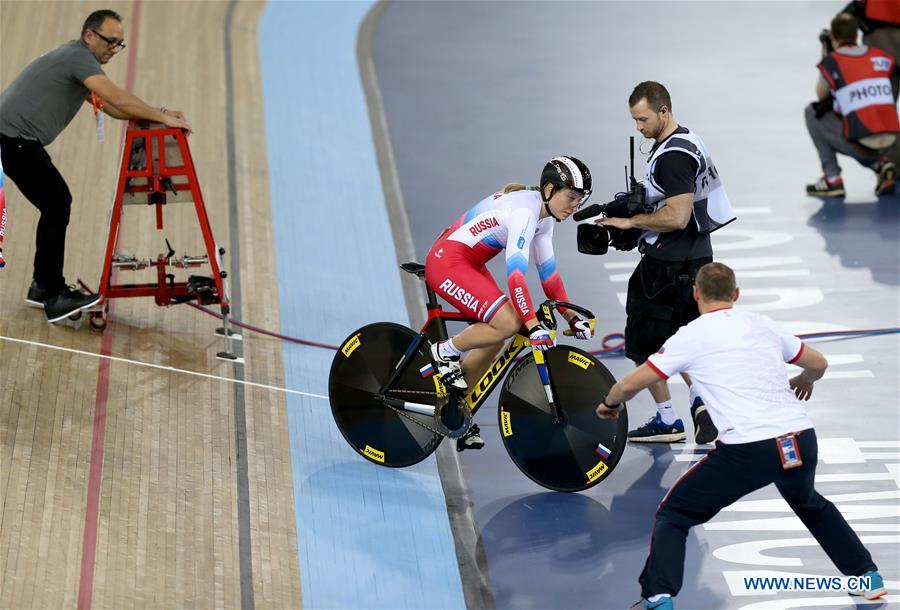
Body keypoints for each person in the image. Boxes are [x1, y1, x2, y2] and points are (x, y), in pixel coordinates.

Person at [596, 262, 887, 610]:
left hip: (750, 450)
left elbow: (631, 383)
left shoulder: (691, 334)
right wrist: (805, 379)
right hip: (799, 440)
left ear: (696, 294)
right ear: (736, 295)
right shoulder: (760, 324)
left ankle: (658, 598)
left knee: (674, 514)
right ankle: (866, 578)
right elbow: (819, 362)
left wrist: (609, 403)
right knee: (810, 502)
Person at [0, 9, 191, 323]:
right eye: (110, 41)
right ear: (89, 35)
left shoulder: (75, 57)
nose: (113, 50)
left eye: (119, 45)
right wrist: (162, 118)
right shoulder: (80, 60)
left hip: (13, 138)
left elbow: (113, 106)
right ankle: (51, 293)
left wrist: (157, 112)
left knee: (55, 203)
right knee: (57, 203)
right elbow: (117, 96)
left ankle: (42, 286)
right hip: (13, 138)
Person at [425, 156, 595, 450]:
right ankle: (442, 351)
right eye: (571, 197)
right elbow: (516, 277)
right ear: (550, 189)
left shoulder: (544, 218)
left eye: (579, 201)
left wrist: (571, 317)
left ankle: (457, 411)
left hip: (469, 262)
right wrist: (532, 324)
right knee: (508, 323)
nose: (574, 206)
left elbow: (549, 276)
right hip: (448, 261)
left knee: (494, 337)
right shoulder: (525, 214)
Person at [597, 81, 735, 445]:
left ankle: (667, 419)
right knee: (686, 339)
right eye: (634, 120)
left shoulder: (673, 156)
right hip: (698, 259)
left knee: (645, 346)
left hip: (666, 266)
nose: (638, 128)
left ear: (663, 111)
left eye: (642, 119)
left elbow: (676, 216)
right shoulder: (688, 140)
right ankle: (702, 403)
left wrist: (631, 222)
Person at [805, 13, 899, 198]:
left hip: (863, 143)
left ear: (832, 37)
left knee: (812, 113)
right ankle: (880, 165)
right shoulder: (880, 56)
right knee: (864, 116)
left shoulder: (833, 62)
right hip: (892, 140)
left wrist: (827, 56)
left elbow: (821, 96)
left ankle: (832, 179)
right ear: (856, 35)